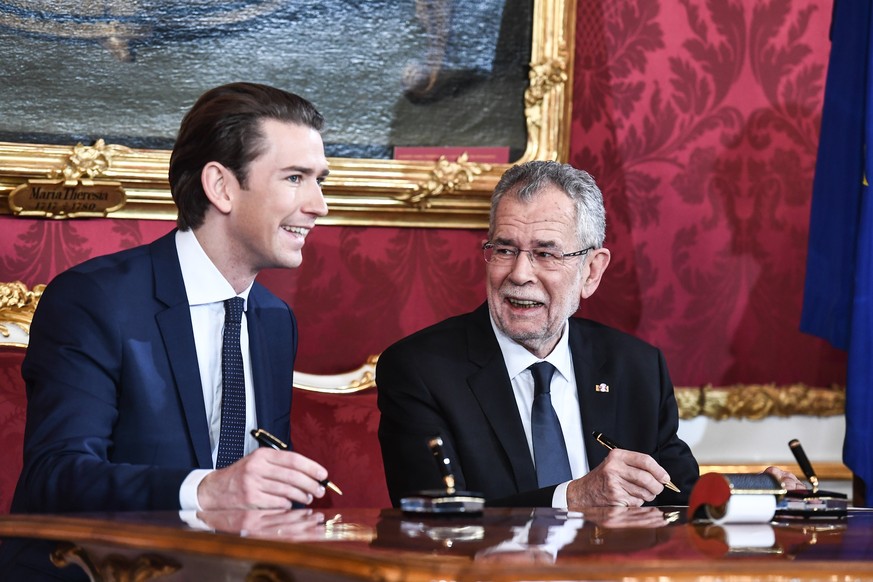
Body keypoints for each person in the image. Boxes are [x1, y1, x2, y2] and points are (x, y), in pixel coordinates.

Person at [377, 160, 803, 509]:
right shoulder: (421, 370)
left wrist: (759, 493)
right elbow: (431, 520)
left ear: (592, 271)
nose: (519, 274)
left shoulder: (635, 367)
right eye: (504, 249)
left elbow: (679, 498)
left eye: (546, 253)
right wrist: (573, 497)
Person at [11, 82, 332, 514]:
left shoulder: (274, 318)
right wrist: (207, 491)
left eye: (319, 181)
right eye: (295, 178)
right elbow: (55, 476)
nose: (319, 205)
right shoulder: (94, 300)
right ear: (220, 186)